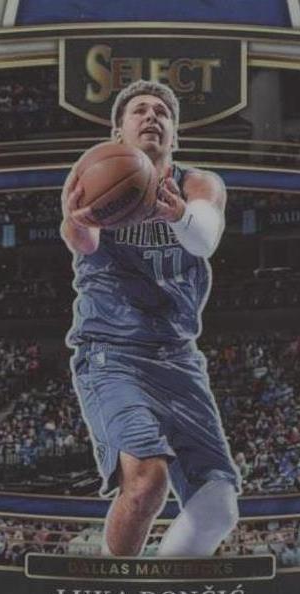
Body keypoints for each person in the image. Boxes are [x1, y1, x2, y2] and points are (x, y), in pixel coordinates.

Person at [60, 80, 240, 557]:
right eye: (139, 110)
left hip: (178, 357)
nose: (152, 116)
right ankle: (114, 591)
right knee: (146, 483)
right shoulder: (94, 175)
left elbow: (204, 239)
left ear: (175, 135)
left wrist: (177, 214)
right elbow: (84, 243)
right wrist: (77, 220)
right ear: (117, 132)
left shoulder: (199, 184)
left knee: (218, 507)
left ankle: (158, 588)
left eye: (162, 112)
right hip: (113, 352)